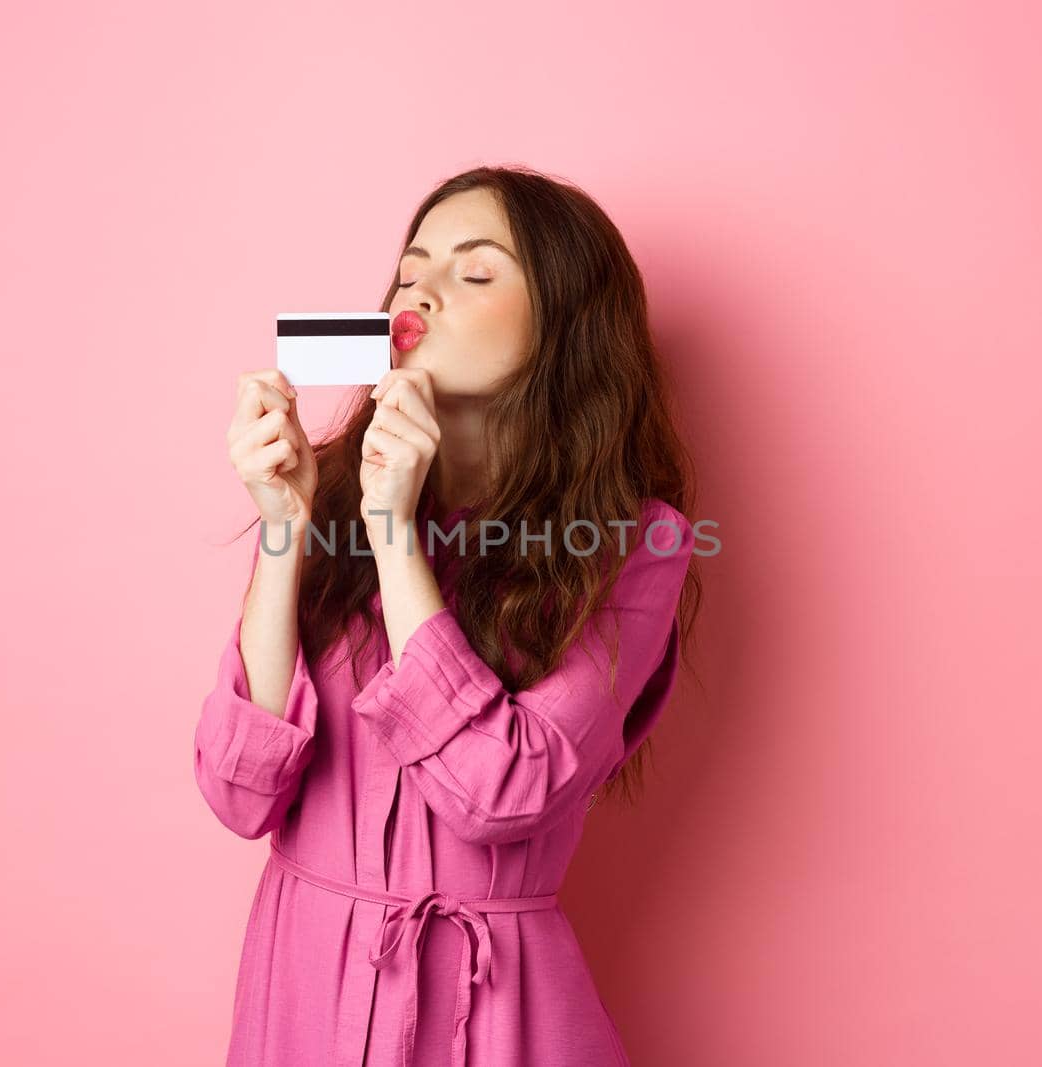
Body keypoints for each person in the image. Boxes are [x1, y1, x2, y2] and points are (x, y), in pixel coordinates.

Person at [195, 165, 703, 1067]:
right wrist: (285, 534)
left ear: (564, 324)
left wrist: (395, 534)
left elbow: (502, 792)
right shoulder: (326, 496)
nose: (422, 289)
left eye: (474, 273)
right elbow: (240, 792)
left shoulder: (639, 542)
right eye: (411, 268)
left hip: (493, 1017)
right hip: (303, 995)